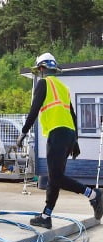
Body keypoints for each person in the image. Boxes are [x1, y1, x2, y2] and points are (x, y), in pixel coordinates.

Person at [17, 52, 103, 229]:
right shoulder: (63, 88)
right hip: (68, 134)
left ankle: (94, 195)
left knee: (55, 177)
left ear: (41, 69)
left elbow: (34, 110)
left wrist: (23, 132)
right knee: (54, 177)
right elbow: (72, 114)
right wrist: (76, 140)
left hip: (57, 134)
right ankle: (46, 216)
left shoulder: (43, 83)